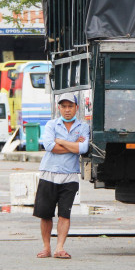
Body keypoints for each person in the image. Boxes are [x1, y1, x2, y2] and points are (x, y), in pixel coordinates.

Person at [33, 92, 90, 259]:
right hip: (49, 174)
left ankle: (59, 247)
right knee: (45, 214)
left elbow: (84, 148)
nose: (67, 110)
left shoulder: (83, 127)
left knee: (65, 213)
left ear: (76, 108)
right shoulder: (51, 124)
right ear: (59, 108)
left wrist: (62, 141)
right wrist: (73, 145)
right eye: (64, 106)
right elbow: (50, 146)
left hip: (70, 176)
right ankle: (46, 247)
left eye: (70, 106)